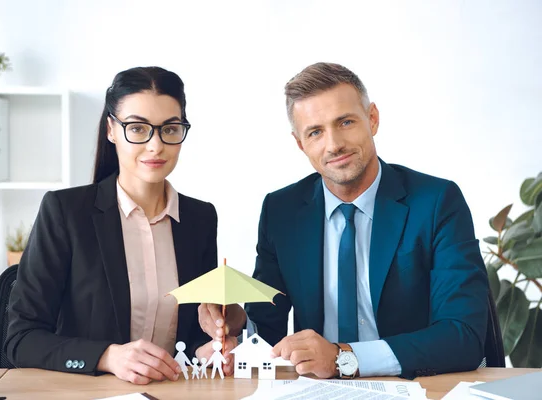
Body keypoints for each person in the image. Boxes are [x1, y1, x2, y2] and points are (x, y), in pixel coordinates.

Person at [199, 62, 489, 380]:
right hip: (315, 391)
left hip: (414, 388)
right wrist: (236, 332)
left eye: (346, 122)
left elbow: (463, 336)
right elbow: (268, 328)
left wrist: (343, 359)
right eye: (315, 132)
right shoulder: (281, 211)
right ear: (300, 143)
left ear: (372, 119)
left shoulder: (436, 202)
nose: (333, 144)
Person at [5, 66, 218, 385]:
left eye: (170, 129)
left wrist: (210, 349)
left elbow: (193, 333)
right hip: (87, 393)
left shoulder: (200, 219)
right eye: (137, 128)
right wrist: (107, 355)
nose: (155, 146)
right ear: (111, 130)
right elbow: (20, 339)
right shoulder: (66, 213)